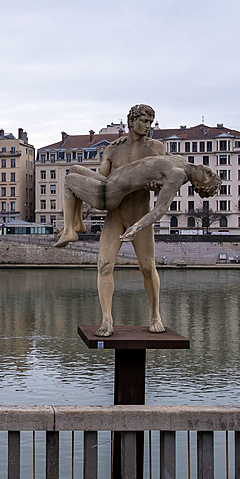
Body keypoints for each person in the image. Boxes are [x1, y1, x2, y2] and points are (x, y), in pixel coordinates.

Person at [54, 104, 167, 335]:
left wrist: (156, 185)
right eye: (144, 121)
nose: (148, 126)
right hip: (115, 216)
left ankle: (155, 314)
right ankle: (107, 319)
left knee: (147, 267)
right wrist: (81, 185)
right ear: (132, 120)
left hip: (140, 217)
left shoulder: (156, 148)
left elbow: (166, 182)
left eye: (150, 122)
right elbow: (102, 182)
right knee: (104, 265)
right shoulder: (112, 150)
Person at [61, 154, 221, 244]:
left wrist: (136, 227)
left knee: (69, 180)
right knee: (75, 168)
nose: (210, 172)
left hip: (108, 193)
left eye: (208, 177)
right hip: (108, 181)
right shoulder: (181, 160)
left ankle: (69, 231)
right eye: (212, 173)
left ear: (198, 185)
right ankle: (78, 223)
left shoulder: (178, 174)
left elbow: (160, 209)